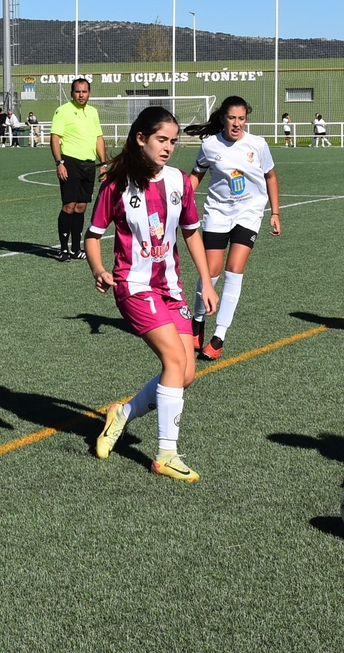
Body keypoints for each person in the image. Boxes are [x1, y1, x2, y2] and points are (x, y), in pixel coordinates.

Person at [86, 106, 219, 482]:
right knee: (175, 361)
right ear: (141, 138)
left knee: (186, 372)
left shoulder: (179, 182)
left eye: (174, 141)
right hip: (133, 285)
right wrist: (98, 269)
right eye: (162, 140)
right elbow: (93, 237)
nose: (169, 148)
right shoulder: (116, 185)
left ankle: (123, 414)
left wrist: (207, 281)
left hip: (170, 287)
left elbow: (192, 231)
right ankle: (165, 454)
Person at [183, 96, 281, 361]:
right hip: (217, 213)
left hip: (249, 213)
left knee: (234, 270)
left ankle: (219, 336)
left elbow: (270, 176)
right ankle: (198, 321)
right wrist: (181, 200)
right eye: (231, 118)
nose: (236, 124)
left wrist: (275, 212)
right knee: (211, 272)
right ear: (223, 118)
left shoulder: (258, 145)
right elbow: (196, 175)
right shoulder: (209, 145)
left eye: (241, 118)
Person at [51, 78, 108, 261]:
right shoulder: (63, 111)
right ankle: (63, 249)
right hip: (70, 162)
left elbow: (98, 138)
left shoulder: (93, 112)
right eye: (77, 91)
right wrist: (59, 163)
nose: (81, 95)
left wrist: (103, 164)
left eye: (84, 91)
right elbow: (54, 137)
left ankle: (76, 249)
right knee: (69, 206)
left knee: (81, 206)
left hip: (89, 164)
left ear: (89, 93)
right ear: (72, 93)